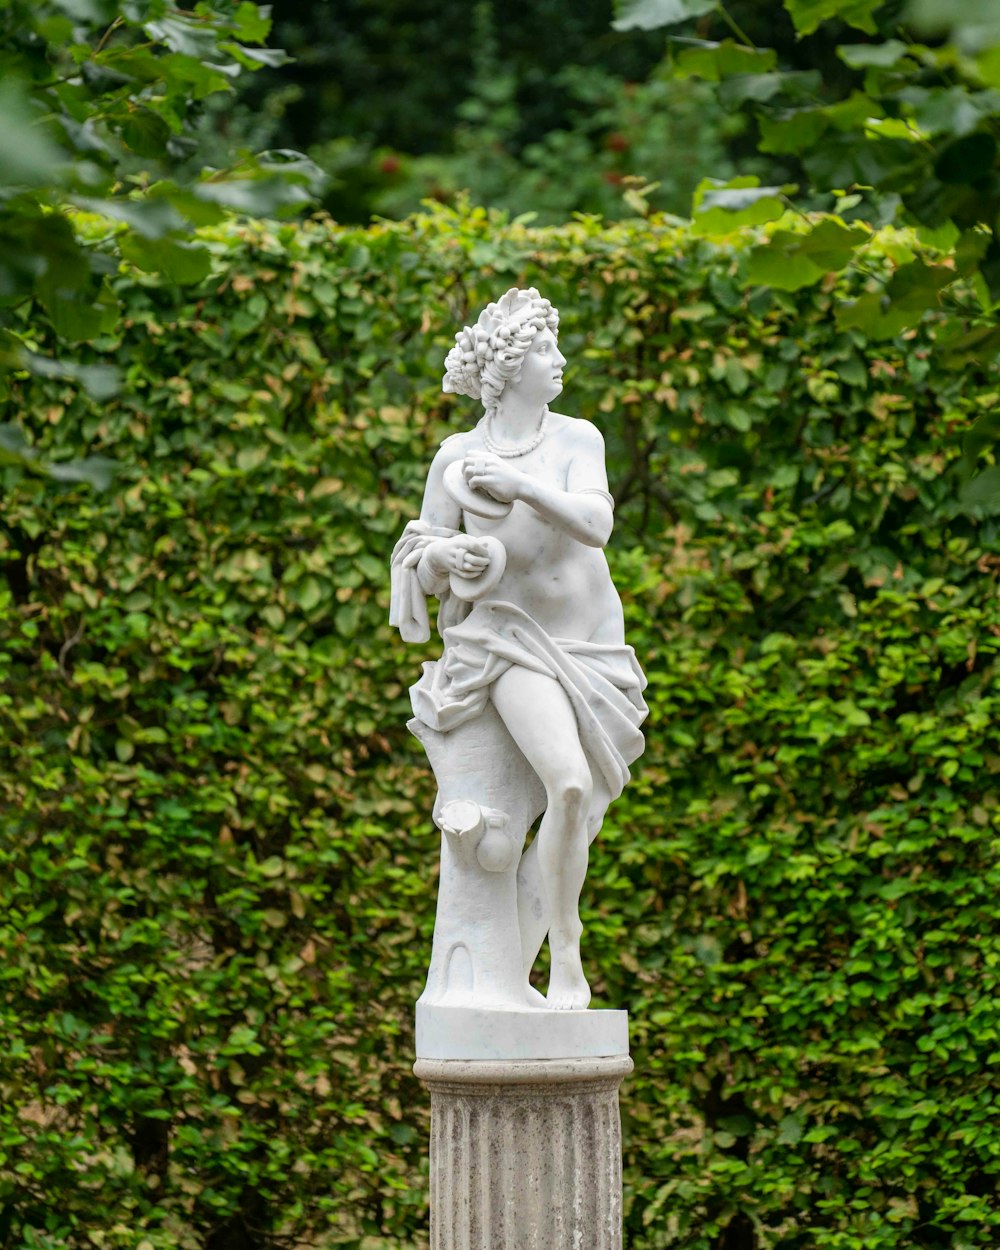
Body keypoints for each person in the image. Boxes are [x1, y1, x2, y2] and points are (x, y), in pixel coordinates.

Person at [390, 288, 647, 1010]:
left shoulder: (577, 439)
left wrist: (522, 486)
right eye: (542, 349)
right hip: (504, 640)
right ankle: (567, 955)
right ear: (506, 367)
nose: (557, 360)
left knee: (586, 805)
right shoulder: (457, 456)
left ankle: (520, 961)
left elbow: (597, 524)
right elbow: (427, 553)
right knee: (566, 783)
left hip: (593, 643)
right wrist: (453, 563)